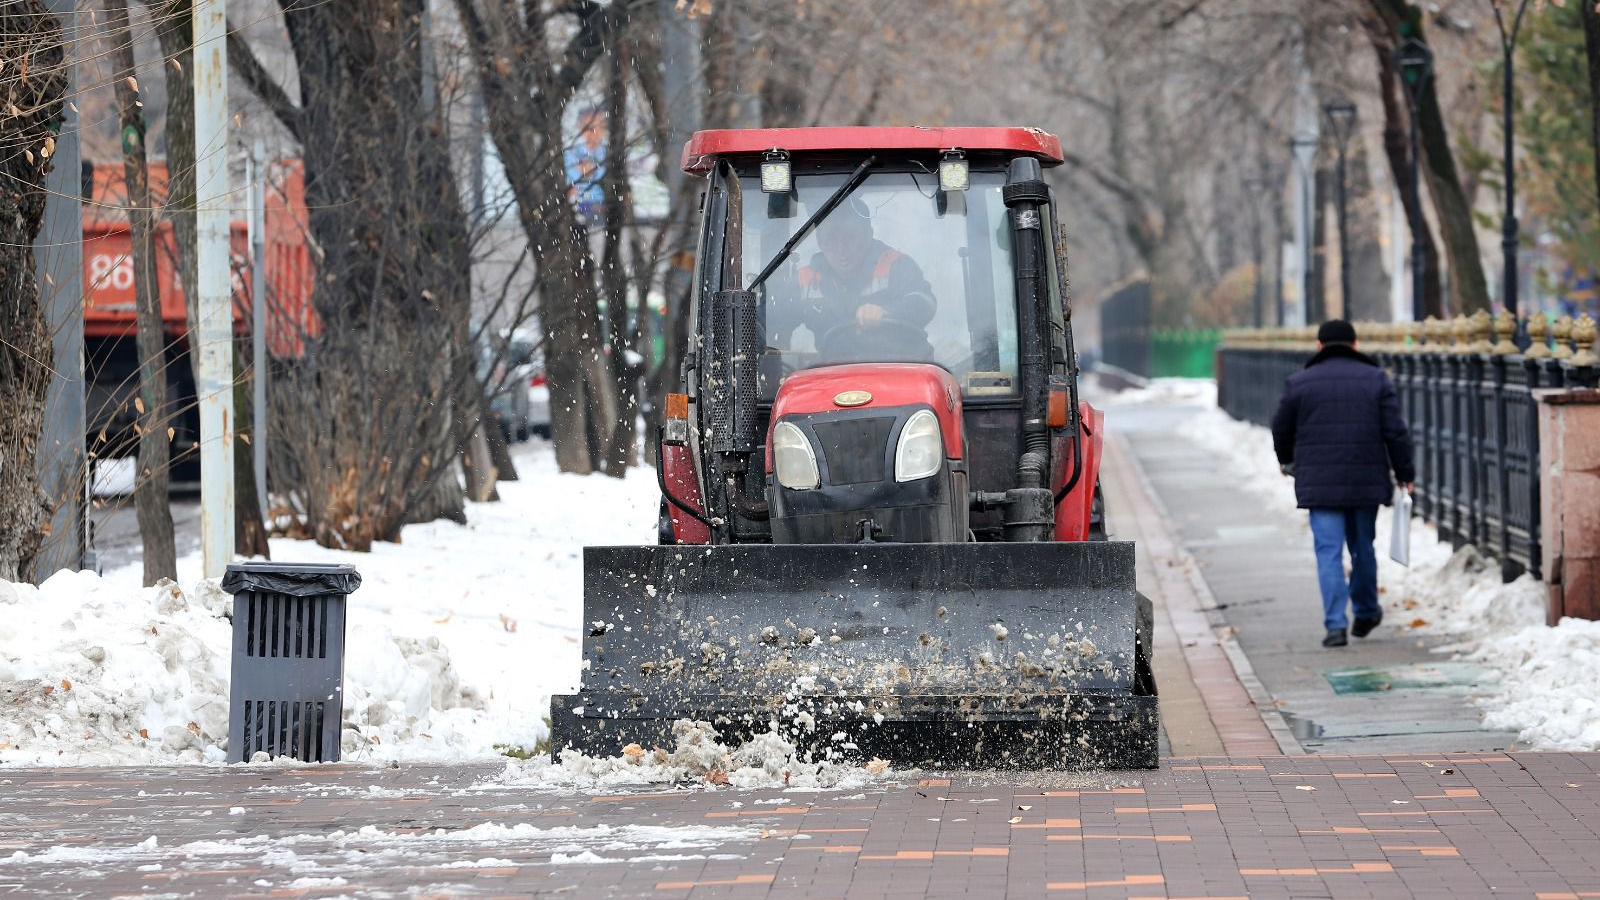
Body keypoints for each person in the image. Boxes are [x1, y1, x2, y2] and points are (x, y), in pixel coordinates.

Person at [1270, 319, 1415, 648]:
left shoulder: (1300, 382)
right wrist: (1405, 472)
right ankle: (1365, 611)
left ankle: (1335, 625)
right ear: (1355, 344)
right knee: (1363, 548)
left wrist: (1287, 459)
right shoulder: (1376, 380)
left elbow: (1280, 428)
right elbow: (1396, 431)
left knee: (1328, 553)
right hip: (1365, 481)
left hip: (1320, 483)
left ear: (1319, 346)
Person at [770, 198, 936, 358]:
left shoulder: (896, 266)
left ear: (868, 235)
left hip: (900, 372)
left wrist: (887, 312)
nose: (841, 248)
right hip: (834, 377)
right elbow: (773, 319)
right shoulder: (805, 280)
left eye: (850, 237)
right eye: (831, 238)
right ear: (819, 242)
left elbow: (924, 302)